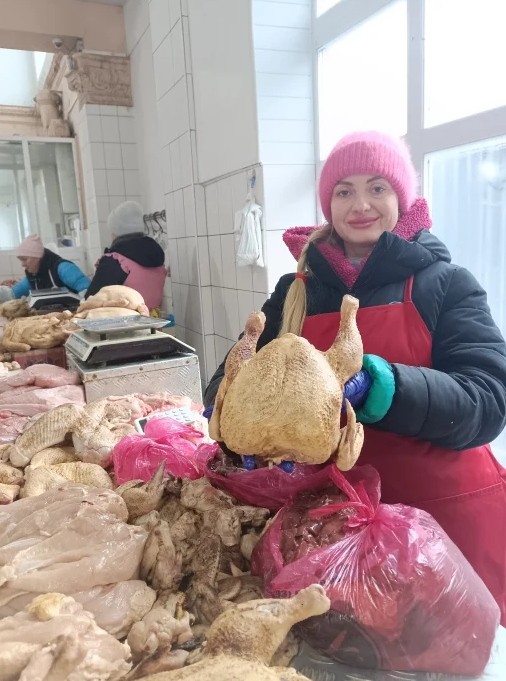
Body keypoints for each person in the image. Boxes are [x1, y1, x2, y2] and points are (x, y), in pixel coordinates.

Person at [205, 130, 506, 623]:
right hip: (337, 528)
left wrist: (382, 387)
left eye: (377, 187)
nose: (360, 204)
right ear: (329, 204)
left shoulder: (447, 284)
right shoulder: (296, 290)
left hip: (446, 523)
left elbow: (488, 400)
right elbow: (231, 372)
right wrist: (234, 419)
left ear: (401, 196)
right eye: (344, 190)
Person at [85, 201, 167, 310]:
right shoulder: (155, 254)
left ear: (115, 232)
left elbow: (91, 300)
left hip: (124, 319)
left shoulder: (115, 261)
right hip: (152, 318)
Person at [0, 234, 90, 302]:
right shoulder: (33, 278)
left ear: (37, 257)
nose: (22, 264)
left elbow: (88, 291)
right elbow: (12, 294)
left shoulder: (63, 268)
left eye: (24, 259)